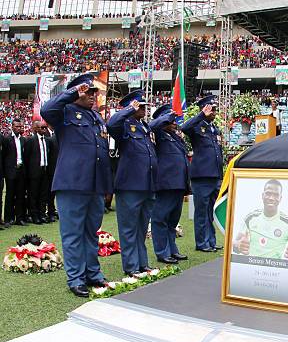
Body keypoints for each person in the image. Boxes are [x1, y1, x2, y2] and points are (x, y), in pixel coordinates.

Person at [41, 73, 113, 297]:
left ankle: (93, 273)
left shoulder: (96, 118)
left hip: (94, 183)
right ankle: (76, 278)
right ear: (77, 92)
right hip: (72, 183)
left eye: (94, 92)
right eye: (88, 91)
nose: (93, 96)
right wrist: (73, 92)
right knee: (73, 234)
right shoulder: (64, 113)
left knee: (91, 232)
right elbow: (46, 110)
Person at [107, 90, 157, 276]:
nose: (143, 108)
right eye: (139, 105)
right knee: (128, 228)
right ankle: (131, 266)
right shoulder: (124, 124)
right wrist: (128, 110)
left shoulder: (145, 127)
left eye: (144, 105)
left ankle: (142, 263)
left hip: (147, 184)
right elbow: (111, 123)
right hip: (130, 185)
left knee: (141, 227)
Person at [181, 95, 223, 253]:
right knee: (201, 212)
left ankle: (211, 241)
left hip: (214, 176)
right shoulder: (197, 127)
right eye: (211, 109)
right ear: (204, 109)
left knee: (210, 211)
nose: (214, 112)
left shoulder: (214, 129)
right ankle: (202, 242)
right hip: (202, 177)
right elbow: (184, 128)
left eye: (214, 110)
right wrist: (200, 116)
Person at [149, 104, 189, 264]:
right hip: (166, 183)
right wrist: (166, 117)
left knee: (173, 220)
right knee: (160, 218)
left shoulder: (175, 136)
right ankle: (162, 252)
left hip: (178, 183)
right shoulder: (158, 133)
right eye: (171, 120)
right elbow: (152, 125)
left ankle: (172, 249)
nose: (175, 122)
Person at [233, 179, 288, 261]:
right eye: (268, 193)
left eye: (276, 195)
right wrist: (238, 245)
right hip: (252, 267)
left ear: (280, 198)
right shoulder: (250, 218)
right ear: (262, 195)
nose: (271, 198)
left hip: (274, 271)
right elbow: (234, 244)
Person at [23, 120, 53, 224]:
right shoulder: (30, 140)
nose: (44, 129)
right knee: (33, 194)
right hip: (34, 172)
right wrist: (28, 173)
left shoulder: (47, 140)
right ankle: (34, 215)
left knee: (43, 194)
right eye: (42, 128)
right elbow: (26, 158)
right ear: (36, 129)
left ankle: (42, 214)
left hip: (44, 171)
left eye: (45, 127)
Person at [3, 118, 27, 227]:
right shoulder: (7, 139)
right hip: (11, 171)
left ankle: (19, 218)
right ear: (12, 127)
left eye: (20, 126)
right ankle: (8, 219)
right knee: (10, 196)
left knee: (20, 195)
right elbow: (4, 157)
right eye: (17, 126)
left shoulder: (23, 140)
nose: (19, 128)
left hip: (21, 171)